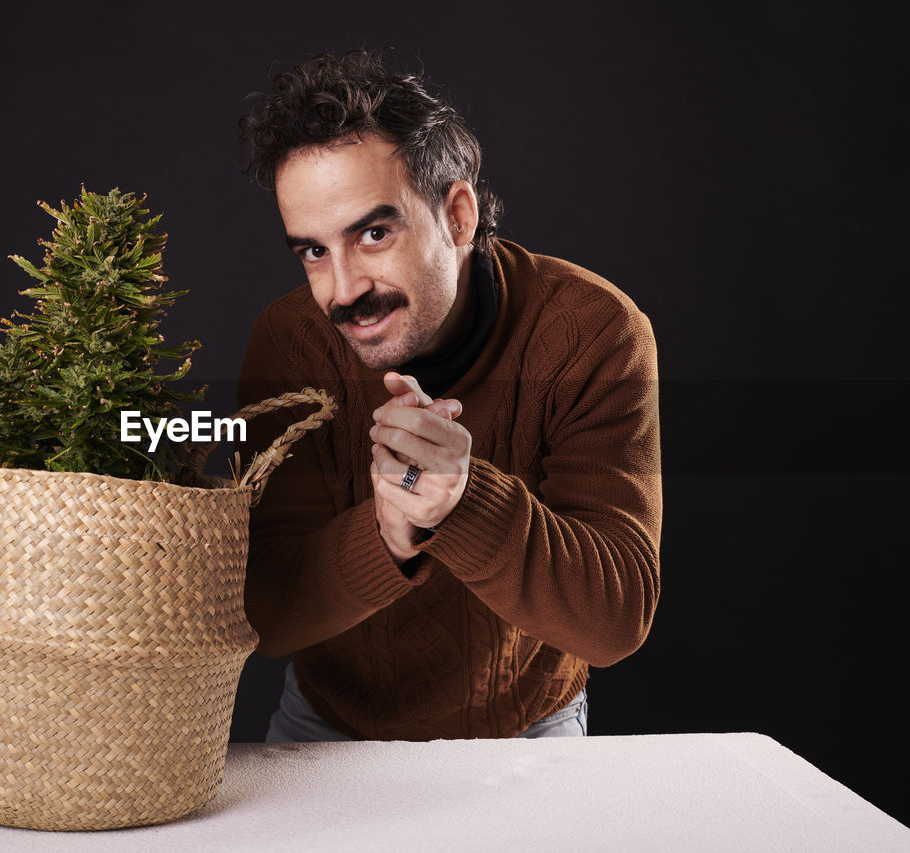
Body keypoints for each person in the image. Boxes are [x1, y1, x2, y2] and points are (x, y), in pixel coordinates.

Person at [235, 50, 661, 742]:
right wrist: (390, 533)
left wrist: (462, 502)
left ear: (457, 214)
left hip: (530, 728)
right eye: (313, 251)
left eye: (374, 233)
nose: (343, 290)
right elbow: (267, 614)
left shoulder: (595, 332)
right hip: (329, 728)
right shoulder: (291, 343)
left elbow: (616, 618)